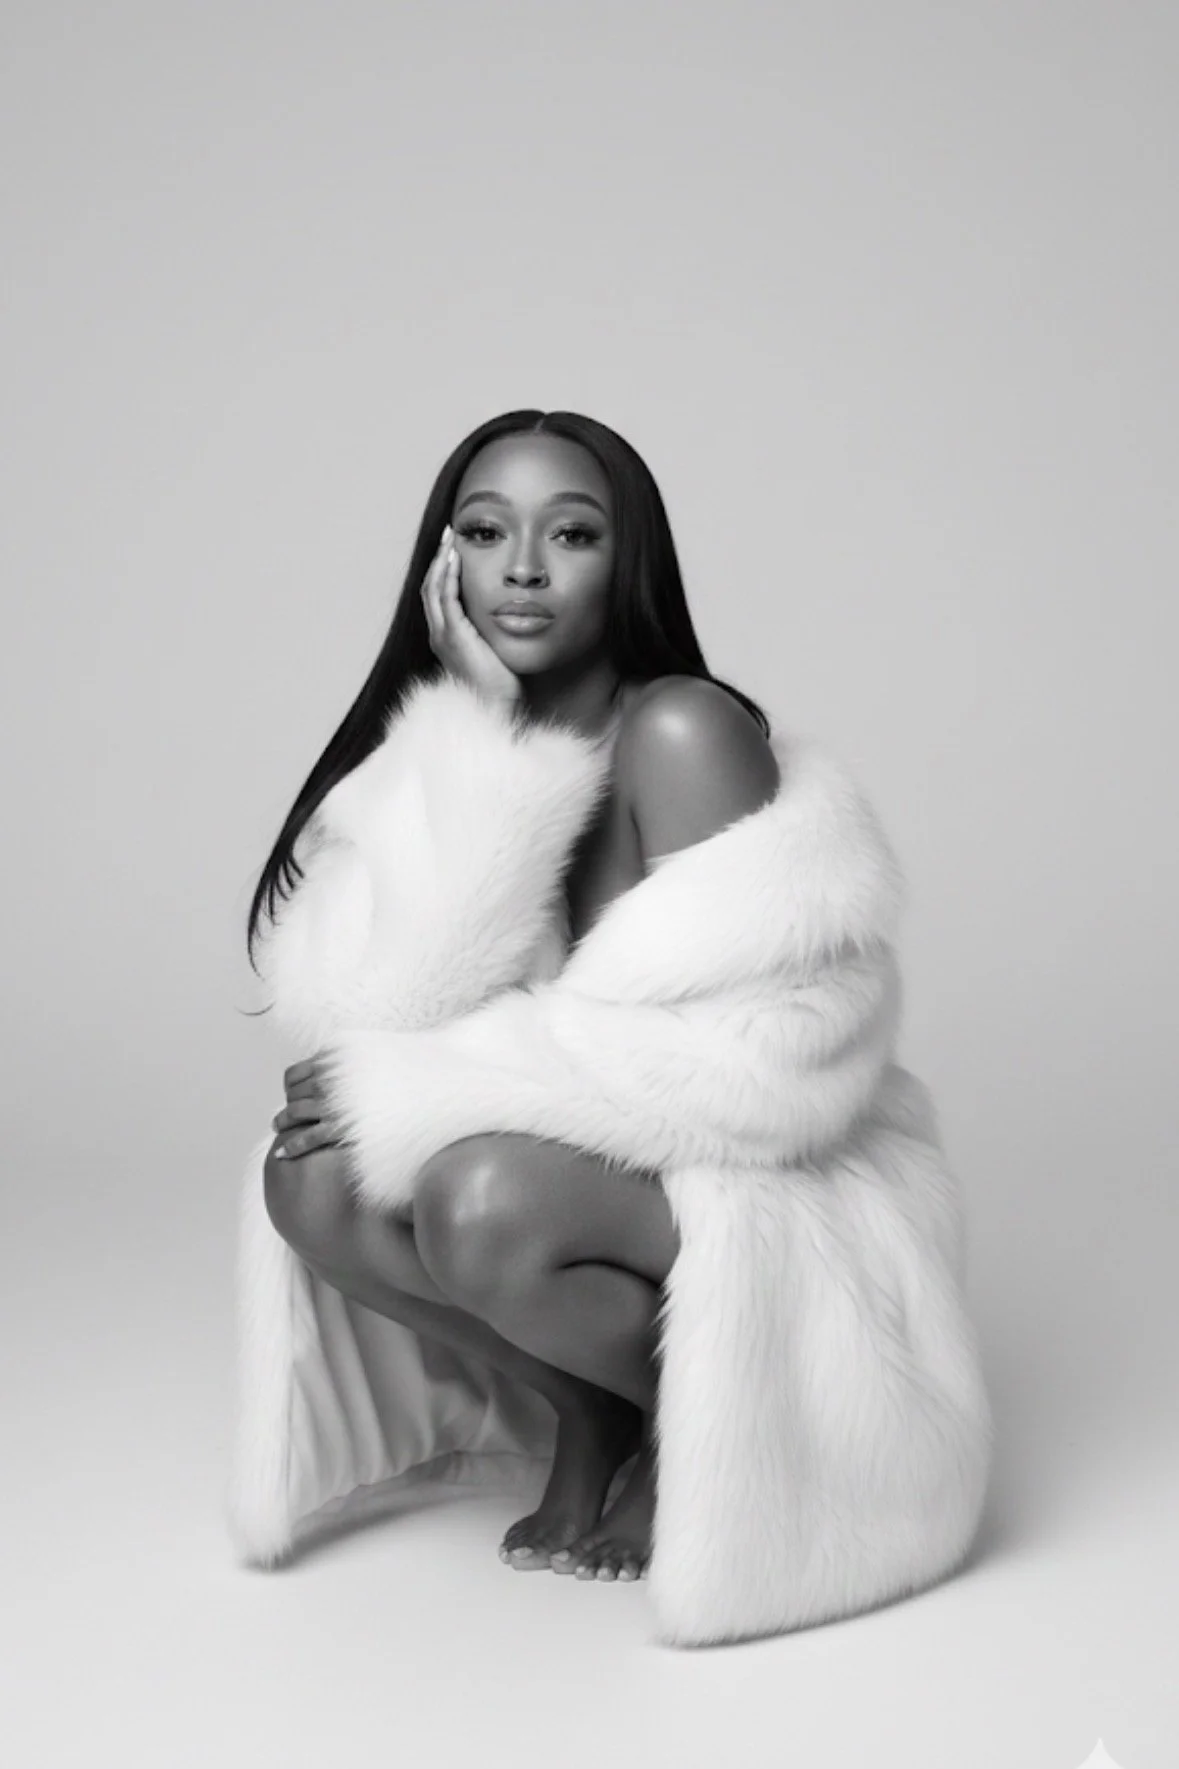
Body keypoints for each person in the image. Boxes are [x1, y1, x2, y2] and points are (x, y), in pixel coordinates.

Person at [248, 408, 782, 1583]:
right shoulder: (446, 750)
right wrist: (484, 745)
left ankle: (702, 1422)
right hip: (583, 1148)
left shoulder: (681, 727)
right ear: (445, 562)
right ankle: (595, 1403)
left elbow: (762, 1060)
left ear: (627, 558)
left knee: (477, 1197)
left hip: (747, 1167)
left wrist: (444, 1083)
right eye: (487, 531)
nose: (524, 568)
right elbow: (392, 1014)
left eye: (572, 533)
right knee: (313, 1181)